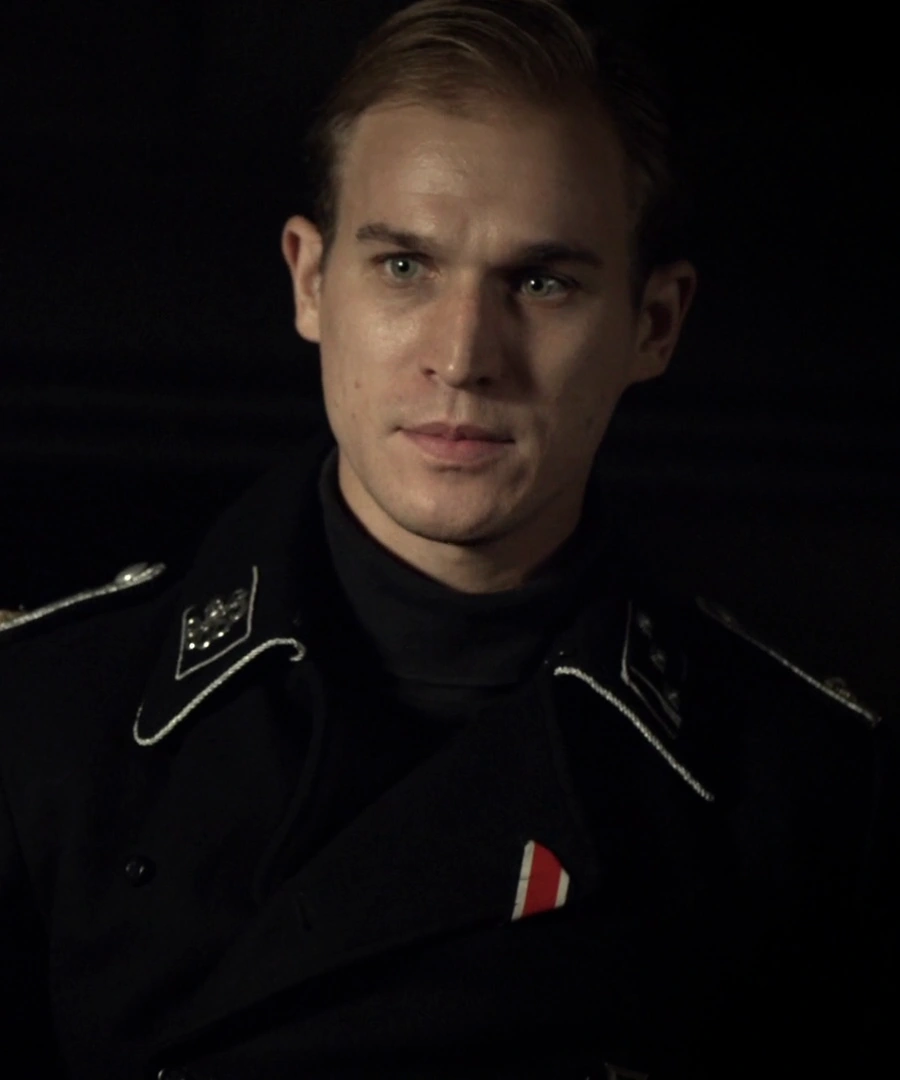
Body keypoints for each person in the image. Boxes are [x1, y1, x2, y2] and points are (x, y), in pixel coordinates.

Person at [1, 1, 895, 1077]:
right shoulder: (42, 720)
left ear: (654, 325)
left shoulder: (811, 795)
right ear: (310, 283)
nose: (465, 355)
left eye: (541, 282)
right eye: (405, 268)